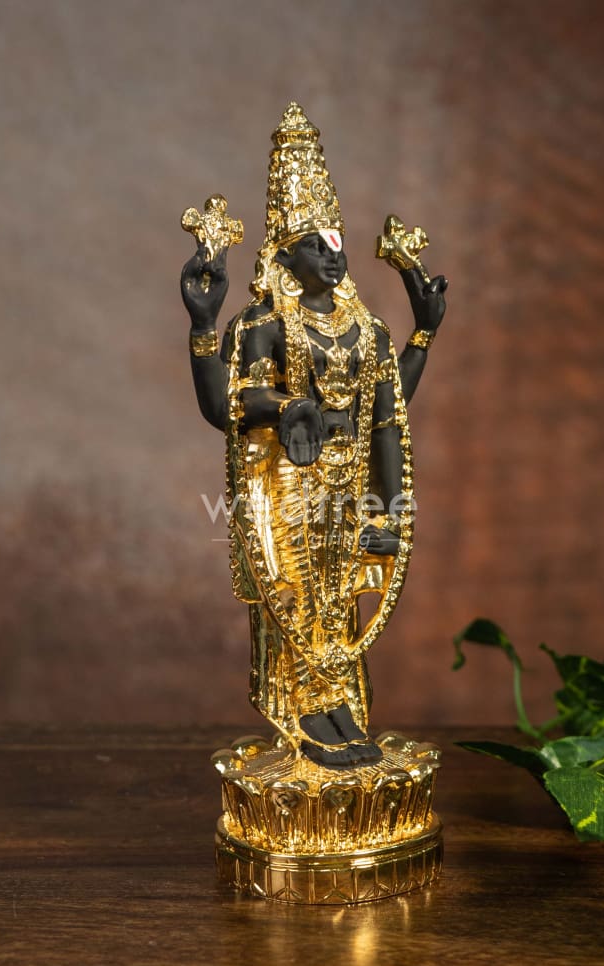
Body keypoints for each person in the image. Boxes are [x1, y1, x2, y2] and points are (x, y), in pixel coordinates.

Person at [181, 103, 446, 768]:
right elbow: (226, 407)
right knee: (295, 594)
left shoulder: (368, 330)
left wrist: (423, 331)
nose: (331, 257)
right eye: (313, 246)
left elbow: (389, 411)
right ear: (283, 254)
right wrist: (204, 326)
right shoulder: (263, 324)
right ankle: (304, 711)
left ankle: (337, 709)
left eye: (335, 243)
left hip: (348, 488)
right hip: (284, 485)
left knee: (336, 599)